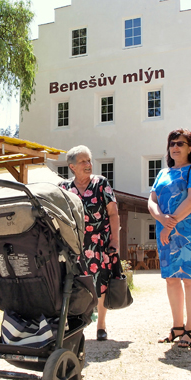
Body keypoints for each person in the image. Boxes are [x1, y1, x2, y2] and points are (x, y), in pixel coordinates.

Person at [148, 129, 191, 348]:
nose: (175, 147)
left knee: (189, 279)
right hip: (165, 231)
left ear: (190, 147)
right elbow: (151, 201)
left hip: (186, 232)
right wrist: (162, 219)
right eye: (172, 143)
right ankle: (177, 327)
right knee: (171, 280)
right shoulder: (163, 173)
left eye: (180, 143)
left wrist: (167, 223)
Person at [59, 145, 120, 341]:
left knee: (100, 283)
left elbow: (113, 213)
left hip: (99, 243)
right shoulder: (64, 188)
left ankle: (101, 325)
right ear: (72, 167)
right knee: (76, 284)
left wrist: (115, 241)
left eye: (89, 160)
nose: (88, 164)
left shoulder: (101, 183)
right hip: (74, 245)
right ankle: (78, 325)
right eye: (83, 161)